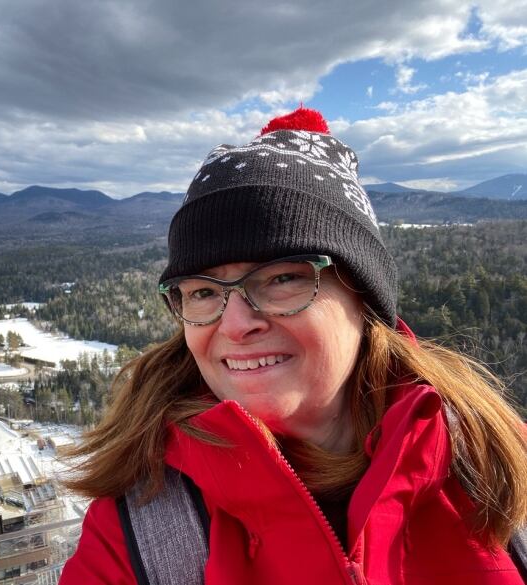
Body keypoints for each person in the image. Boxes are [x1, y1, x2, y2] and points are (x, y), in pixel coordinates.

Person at [58, 107, 527, 584]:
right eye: (202, 291)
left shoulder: (496, 462)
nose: (236, 324)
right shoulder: (138, 534)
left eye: (283, 277)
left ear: (364, 296)